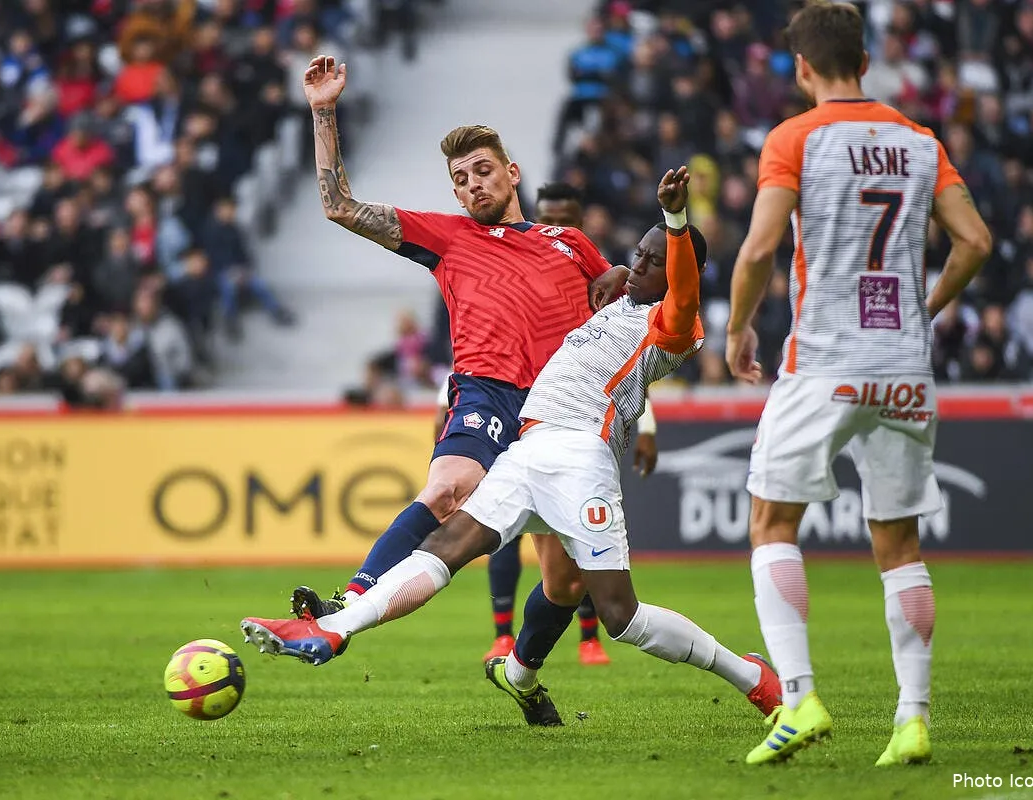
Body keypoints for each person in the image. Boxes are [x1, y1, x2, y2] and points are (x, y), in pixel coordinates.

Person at [242, 168, 782, 730]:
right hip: (529, 447)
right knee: (447, 544)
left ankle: (750, 677)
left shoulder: (675, 322)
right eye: (638, 254)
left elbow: (682, 290)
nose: (638, 264)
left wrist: (674, 223)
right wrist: (623, 269)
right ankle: (336, 628)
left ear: (675, 271)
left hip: (581, 457)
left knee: (619, 614)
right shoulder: (619, 302)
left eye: (652, 260)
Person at [722, 2, 991, 767]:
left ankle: (799, 699)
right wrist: (927, 307)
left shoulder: (795, 138)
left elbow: (759, 250)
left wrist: (740, 327)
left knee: (773, 523)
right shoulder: (918, 140)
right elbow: (974, 241)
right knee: (899, 543)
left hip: (826, 362)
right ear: (865, 62)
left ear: (801, 67)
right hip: (904, 366)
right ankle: (913, 718)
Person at [287, 56, 628, 626]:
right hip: (485, 394)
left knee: (565, 582)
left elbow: (623, 315)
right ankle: (350, 600)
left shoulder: (569, 243)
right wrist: (324, 112)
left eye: (483, 170)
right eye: (462, 180)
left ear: (512, 172)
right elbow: (338, 206)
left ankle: (520, 669)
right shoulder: (449, 238)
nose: (474, 185)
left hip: (562, 408)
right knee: (448, 489)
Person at [446, 180, 661, 667]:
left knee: (568, 558)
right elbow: (479, 344)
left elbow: (631, 364)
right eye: (548, 218)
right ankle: (505, 638)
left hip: (577, 426)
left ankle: (585, 637)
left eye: (565, 219)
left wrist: (645, 428)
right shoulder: (517, 269)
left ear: (580, 223)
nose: (555, 227)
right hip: (511, 413)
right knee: (502, 530)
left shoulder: (601, 284)